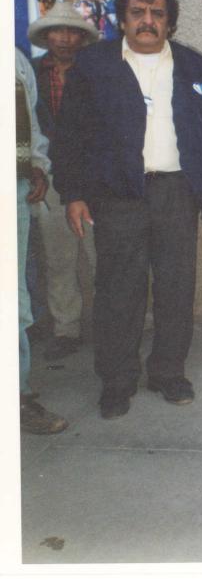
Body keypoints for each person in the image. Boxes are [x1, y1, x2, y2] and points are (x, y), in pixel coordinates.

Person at [51, 0, 202, 419]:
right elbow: (70, 136)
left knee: (175, 289)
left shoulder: (194, 65)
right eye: (138, 13)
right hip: (117, 194)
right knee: (118, 291)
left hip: (177, 192)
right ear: (122, 20)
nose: (148, 22)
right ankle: (117, 380)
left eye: (157, 14)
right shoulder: (95, 66)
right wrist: (74, 193)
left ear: (170, 22)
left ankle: (168, 372)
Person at [28, 1, 99, 360]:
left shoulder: (95, 71)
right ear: (46, 36)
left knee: (103, 255)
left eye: (72, 31)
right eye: (57, 31)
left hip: (94, 178)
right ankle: (66, 329)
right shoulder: (33, 74)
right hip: (52, 174)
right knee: (58, 258)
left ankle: (111, 325)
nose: (65, 38)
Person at [15, 48, 68, 434]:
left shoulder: (15, 61)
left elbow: (30, 127)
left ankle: (16, 396)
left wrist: (37, 167)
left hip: (12, 193)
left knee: (13, 301)